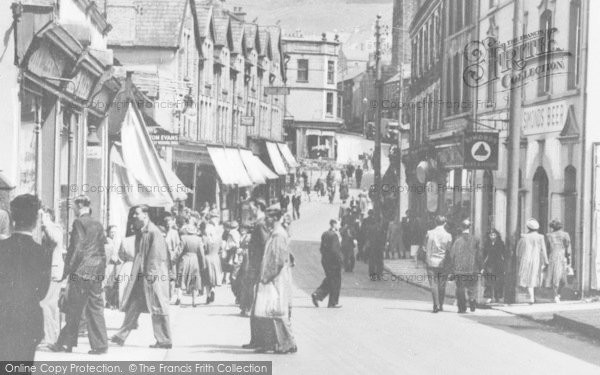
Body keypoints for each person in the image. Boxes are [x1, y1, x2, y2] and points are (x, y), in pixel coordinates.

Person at [50, 195, 108, 355]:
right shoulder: (97, 224)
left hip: (81, 272)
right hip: (96, 271)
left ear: (80, 205)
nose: (73, 210)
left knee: (74, 308)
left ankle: (64, 344)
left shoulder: (78, 223)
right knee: (96, 307)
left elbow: (76, 250)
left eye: (74, 207)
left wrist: (66, 271)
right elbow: (102, 250)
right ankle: (100, 344)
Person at [111, 205, 172, 349]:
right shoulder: (143, 231)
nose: (134, 216)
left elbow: (156, 256)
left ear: (145, 215)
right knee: (134, 304)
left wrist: (151, 276)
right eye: (133, 214)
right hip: (141, 275)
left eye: (136, 214)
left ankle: (164, 340)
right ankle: (121, 335)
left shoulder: (153, 232)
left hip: (152, 276)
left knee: (158, 306)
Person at [0, 195, 51, 362]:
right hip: (29, 321)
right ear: (36, 220)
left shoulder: (2, 248)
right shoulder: (42, 252)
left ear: (13, 218)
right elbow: (42, 292)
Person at [251, 208, 297, 354]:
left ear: (275, 218)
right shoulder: (276, 233)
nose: (266, 221)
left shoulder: (277, 235)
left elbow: (276, 259)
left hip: (276, 279)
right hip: (275, 277)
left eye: (268, 218)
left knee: (277, 312)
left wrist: (266, 276)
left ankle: (287, 343)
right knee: (271, 311)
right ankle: (272, 343)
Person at [242, 199, 270, 347]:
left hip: (258, 269)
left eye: (252, 208)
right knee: (255, 304)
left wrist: (259, 269)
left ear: (258, 207)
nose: (250, 210)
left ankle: (258, 340)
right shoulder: (260, 224)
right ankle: (256, 340)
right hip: (257, 268)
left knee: (257, 303)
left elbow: (265, 247)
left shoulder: (260, 225)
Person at [39, 207, 66, 346]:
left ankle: (50, 338)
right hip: (47, 271)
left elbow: (54, 239)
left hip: (54, 271)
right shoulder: (44, 229)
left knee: (46, 304)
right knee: (49, 305)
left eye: (45, 215)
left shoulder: (55, 228)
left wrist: (46, 222)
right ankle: (51, 337)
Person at [448, 220, 483, 313]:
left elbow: (452, 255)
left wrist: (451, 268)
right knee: (472, 286)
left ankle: (462, 307)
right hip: (472, 268)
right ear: (470, 228)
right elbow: (479, 255)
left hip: (459, 269)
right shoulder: (475, 239)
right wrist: (481, 267)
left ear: (462, 227)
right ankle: (472, 300)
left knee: (460, 287)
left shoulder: (457, 240)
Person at [423, 215, 452, 313]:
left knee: (433, 284)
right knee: (442, 284)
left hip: (431, 262)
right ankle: (441, 304)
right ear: (445, 223)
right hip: (443, 262)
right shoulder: (448, 235)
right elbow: (449, 250)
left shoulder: (429, 233)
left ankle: (436, 304)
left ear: (435, 222)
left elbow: (424, 247)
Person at [311, 219, 343, 308]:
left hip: (325, 260)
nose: (339, 226)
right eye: (338, 224)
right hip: (334, 262)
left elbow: (321, 248)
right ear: (334, 224)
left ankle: (317, 294)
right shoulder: (334, 235)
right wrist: (340, 260)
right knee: (336, 281)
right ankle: (332, 302)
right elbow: (335, 250)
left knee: (330, 279)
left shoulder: (325, 234)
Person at [516, 218, 549, 304]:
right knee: (534, 276)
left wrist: (519, 257)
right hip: (536, 258)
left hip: (526, 258)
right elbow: (543, 250)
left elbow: (518, 249)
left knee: (527, 277)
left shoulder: (524, 237)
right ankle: (532, 296)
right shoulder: (540, 237)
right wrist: (546, 260)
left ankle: (531, 296)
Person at [545, 219, 572, 303]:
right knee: (563, 278)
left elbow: (547, 248)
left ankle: (556, 295)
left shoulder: (549, 235)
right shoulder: (565, 235)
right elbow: (568, 248)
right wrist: (569, 259)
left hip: (553, 256)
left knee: (555, 276)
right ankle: (557, 295)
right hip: (562, 256)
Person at [177, 224, 204, 307]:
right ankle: (194, 301)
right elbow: (201, 253)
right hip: (195, 260)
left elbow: (179, 251)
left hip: (185, 259)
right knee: (194, 280)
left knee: (181, 277)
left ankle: (179, 298)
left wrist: (174, 259)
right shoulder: (199, 239)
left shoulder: (183, 238)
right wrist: (203, 264)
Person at [203, 209, 223, 304]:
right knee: (214, 276)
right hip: (216, 257)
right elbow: (222, 248)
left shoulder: (205, 238)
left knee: (207, 278)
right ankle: (213, 290)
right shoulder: (219, 237)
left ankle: (208, 295)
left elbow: (203, 248)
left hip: (207, 257)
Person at [482, 229, 505, 303]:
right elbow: (484, 254)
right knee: (489, 280)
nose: (492, 236)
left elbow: (504, 254)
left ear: (497, 235)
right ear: (489, 236)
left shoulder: (501, 243)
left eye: (494, 235)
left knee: (498, 281)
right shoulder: (487, 243)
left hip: (498, 263)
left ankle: (497, 296)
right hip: (489, 264)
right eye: (491, 235)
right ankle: (489, 296)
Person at [164, 213, 181, 304]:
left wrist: (174, 256)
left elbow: (177, 246)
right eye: (166, 222)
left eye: (169, 222)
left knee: (172, 277)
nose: (167, 224)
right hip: (163, 256)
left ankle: (170, 295)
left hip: (171, 256)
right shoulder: (163, 232)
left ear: (172, 222)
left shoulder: (174, 233)